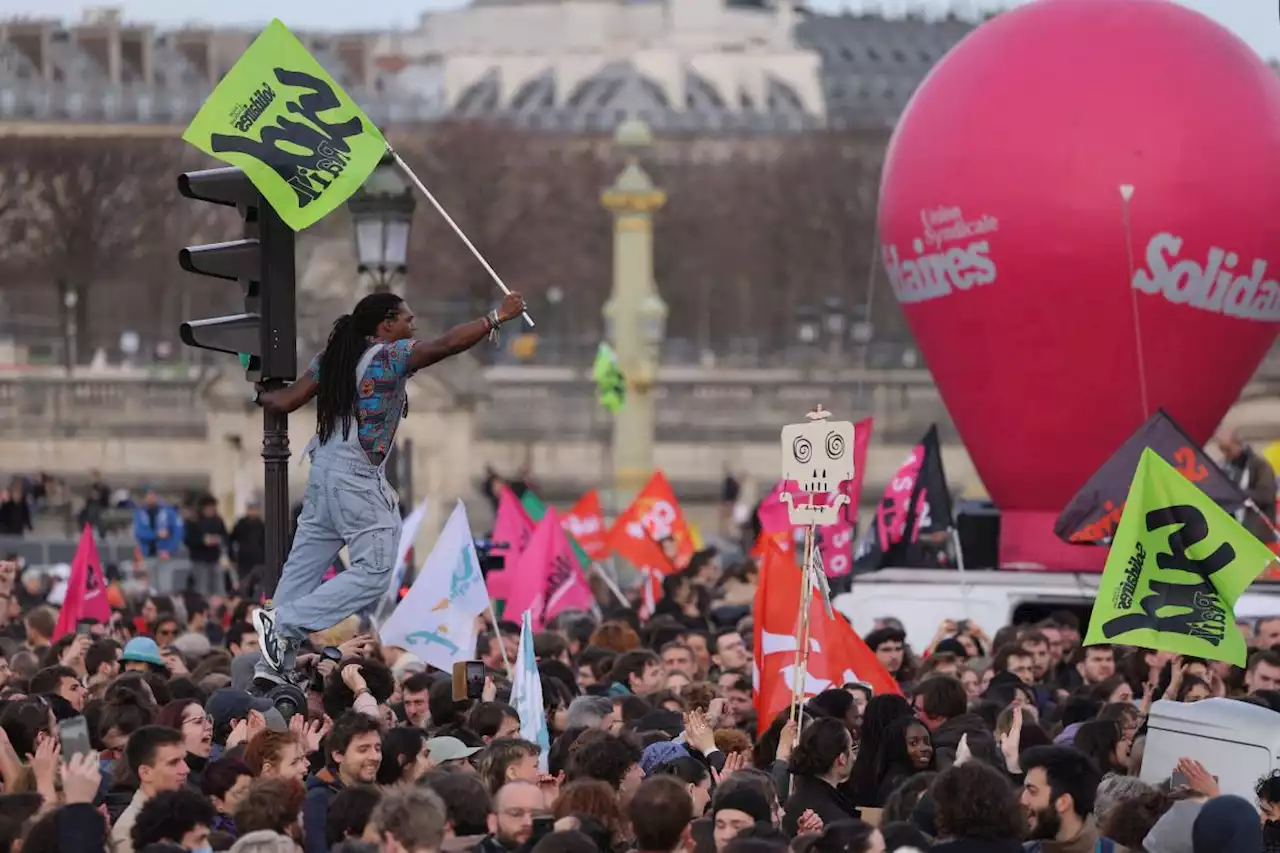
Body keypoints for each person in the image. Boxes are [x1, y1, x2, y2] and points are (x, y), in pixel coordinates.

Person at [250, 290, 525, 684]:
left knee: (300, 573)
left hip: (322, 476)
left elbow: (287, 400)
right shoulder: (390, 356)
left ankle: (271, 670)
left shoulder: (333, 358)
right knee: (376, 571)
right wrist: (496, 317)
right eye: (407, 320)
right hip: (357, 478)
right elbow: (446, 345)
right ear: (386, 324)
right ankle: (283, 623)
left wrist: (258, 390)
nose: (413, 327)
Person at [1215, 427, 1277, 543]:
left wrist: (1236, 493)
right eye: (1222, 450)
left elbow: (1266, 496)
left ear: (1238, 444)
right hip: (1234, 533)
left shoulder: (1260, 466)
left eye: (1228, 449)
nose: (1225, 454)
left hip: (1258, 535)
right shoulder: (1223, 467)